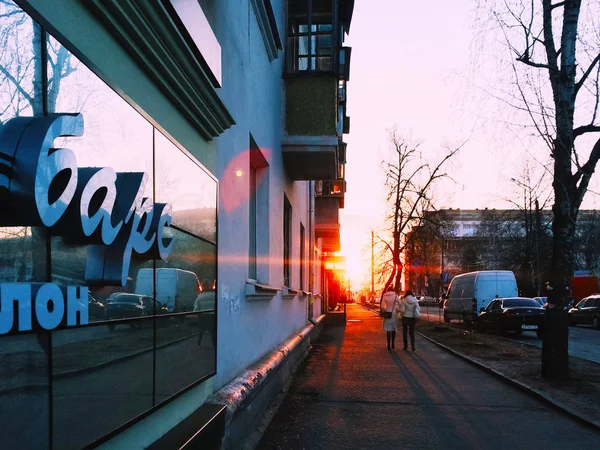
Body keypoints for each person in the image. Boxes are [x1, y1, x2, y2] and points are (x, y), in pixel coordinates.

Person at [193, 280, 217, 348]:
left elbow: (196, 310)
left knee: (202, 329)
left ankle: (199, 343)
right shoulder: (214, 295)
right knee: (213, 331)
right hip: (213, 317)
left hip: (203, 318)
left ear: (202, 287)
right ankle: (214, 344)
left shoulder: (199, 297)